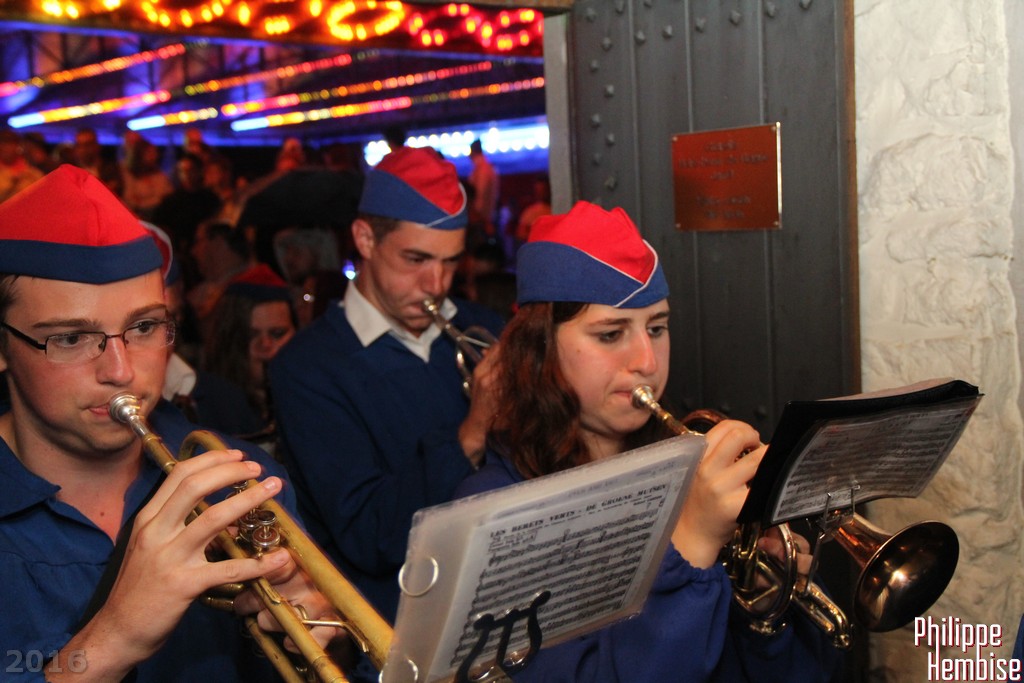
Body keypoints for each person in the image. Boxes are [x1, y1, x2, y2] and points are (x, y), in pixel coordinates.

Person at [454, 201, 843, 682]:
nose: (647, 361)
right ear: (540, 349)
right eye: (610, 334)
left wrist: (766, 610)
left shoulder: (687, 473)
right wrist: (692, 546)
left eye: (656, 328)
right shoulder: (492, 512)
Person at [0, 165, 347, 681]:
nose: (121, 371)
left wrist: (313, 636)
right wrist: (116, 638)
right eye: (71, 338)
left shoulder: (239, 477)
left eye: (143, 327)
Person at [269, 146, 506, 622]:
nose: (435, 284)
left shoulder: (487, 330)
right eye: (416, 259)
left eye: (450, 262)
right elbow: (370, 535)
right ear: (365, 239)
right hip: (403, 618)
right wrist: (471, 435)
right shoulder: (307, 367)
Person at [204, 264, 297, 441]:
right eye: (251, 335)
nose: (265, 345)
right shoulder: (211, 408)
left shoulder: (309, 401)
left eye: (277, 333)